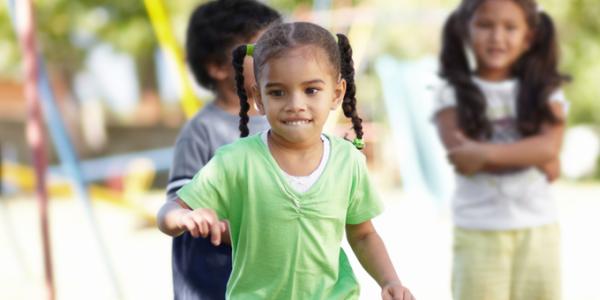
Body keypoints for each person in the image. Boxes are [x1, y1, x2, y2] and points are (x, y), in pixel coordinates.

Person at [158, 22, 414, 300]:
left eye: (311, 90)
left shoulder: (348, 161)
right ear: (258, 98)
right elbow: (167, 214)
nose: (295, 104)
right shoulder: (236, 161)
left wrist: (389, 280)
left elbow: (363, 234)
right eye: (278, 92)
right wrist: (184, 217)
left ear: (336, 93)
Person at [433, 0, 569, 299]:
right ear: (465, 30)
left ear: (529, 37)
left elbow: (549, 146)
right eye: (485, 25)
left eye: (510, 27)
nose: (497, 37)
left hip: (539, 230)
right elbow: (462, 158)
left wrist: (485, 153)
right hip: (478, 232)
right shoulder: (450, 93)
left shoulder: (545, 90)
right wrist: (531, 155)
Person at [158, 1, 281, 299]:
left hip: (271, 278)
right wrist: (192, 217)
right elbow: (174, 208)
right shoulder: (202, 131)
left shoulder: (283, 120)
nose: (276, 57)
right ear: (217, 67)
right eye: (261, 49)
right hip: (217, 280)